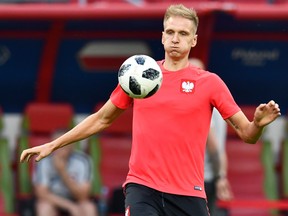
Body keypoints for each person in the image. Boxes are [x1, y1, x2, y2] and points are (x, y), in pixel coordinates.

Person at [21, 4, 281, 216]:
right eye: (170, 32)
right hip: (143, 188)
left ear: (194, 39)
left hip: (189, 193)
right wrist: (53, 145)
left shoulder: (210, 83)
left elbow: (247, 135)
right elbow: (101, 119)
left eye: (182, 33)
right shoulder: (139, 76)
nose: (175, 39)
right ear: (162, 36)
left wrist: (257, 123)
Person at [189, 57, 233, 215]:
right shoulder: (216, 103)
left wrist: (220, 176)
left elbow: (213, 144)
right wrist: (222, 176)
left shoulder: (199, 104)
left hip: (198, 179)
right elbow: (221, 149)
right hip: (209, 177)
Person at [32, 130, 98, 216]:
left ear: (72, 144)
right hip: (53, 200)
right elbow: (42, 194)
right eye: (56, 143)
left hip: (76, 199)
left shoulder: (83, 160)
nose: (59, 147)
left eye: (64, 143)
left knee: (88, 207)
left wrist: (62, 171)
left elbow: (83, 196)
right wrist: (70, 206)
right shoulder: (43, 160)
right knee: (44, 207)